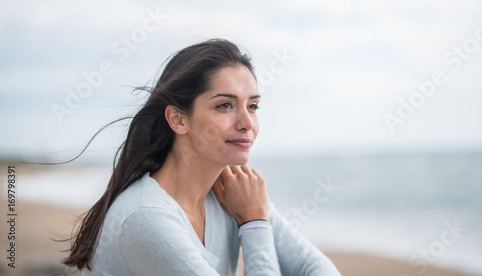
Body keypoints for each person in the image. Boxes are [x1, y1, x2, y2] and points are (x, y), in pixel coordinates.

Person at [63, 39, 341, 275]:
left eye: (253, 106)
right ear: (178, 119)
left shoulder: (230, 193)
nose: (247, 122)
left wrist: (253, 214)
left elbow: (318, 268)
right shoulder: (147, 218)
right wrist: (255, 222)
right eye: (225, 105)